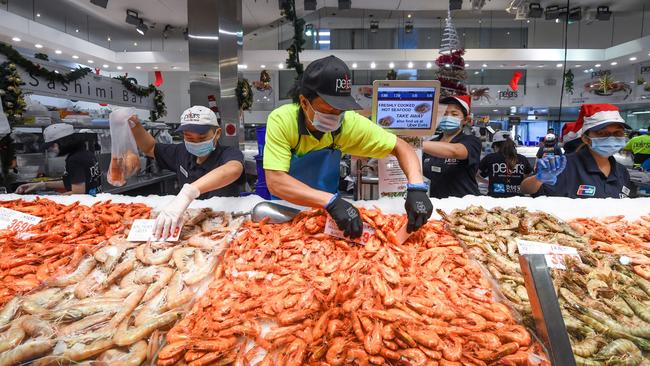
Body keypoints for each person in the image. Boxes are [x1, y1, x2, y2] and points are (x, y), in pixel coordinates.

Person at [263, 55, 432, 238]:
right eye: (328, 110)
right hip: (287, 210)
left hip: (328, 215)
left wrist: (417, 187)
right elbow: (275, 181)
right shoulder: (282, 121)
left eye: (340, 110)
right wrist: (332, 201)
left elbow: (401, 147)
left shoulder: (348, 124)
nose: (335, 116)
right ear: (304, 102)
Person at [128, 106, 245, 238]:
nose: (195, 143)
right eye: (189, 138)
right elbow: (150, 147)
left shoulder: (229, 153)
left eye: (201, 138)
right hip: (189, 224)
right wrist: (135, 125)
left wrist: (188, 193)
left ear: (217, 134)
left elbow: (233, 169)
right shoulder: (181, 152)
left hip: (223, 224)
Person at [521, 104, 634, 198]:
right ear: (585, 138)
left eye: (617, 133)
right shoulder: (565, 165)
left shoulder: (621, 171)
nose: (611, 138)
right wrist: (538, 179)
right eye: (602, 133)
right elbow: (525, 188)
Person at [422, 95, 481, 198]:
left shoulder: (471, 141)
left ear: (466, 120)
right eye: (444, 114)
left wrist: (415, 143)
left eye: (454, 114)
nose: (448, 117)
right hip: (436, 205)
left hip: (464, 207)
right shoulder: (431, 143)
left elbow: (455, 151)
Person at [16, 123, 101, 195]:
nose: (52, 149)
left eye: (53, 145)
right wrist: (42, 185)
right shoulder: (86, 153)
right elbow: (74, 182)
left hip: (85, 206)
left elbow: (78, 193)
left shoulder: (74, 160)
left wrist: (50, 199)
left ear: (65, 142)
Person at [478, 130, 533, 197]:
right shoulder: (522, 159)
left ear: (495, 145)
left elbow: (475, 174)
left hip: (495, 198)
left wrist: (488, 182)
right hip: (518, 199)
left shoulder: (490, 158)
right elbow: (530, 176)